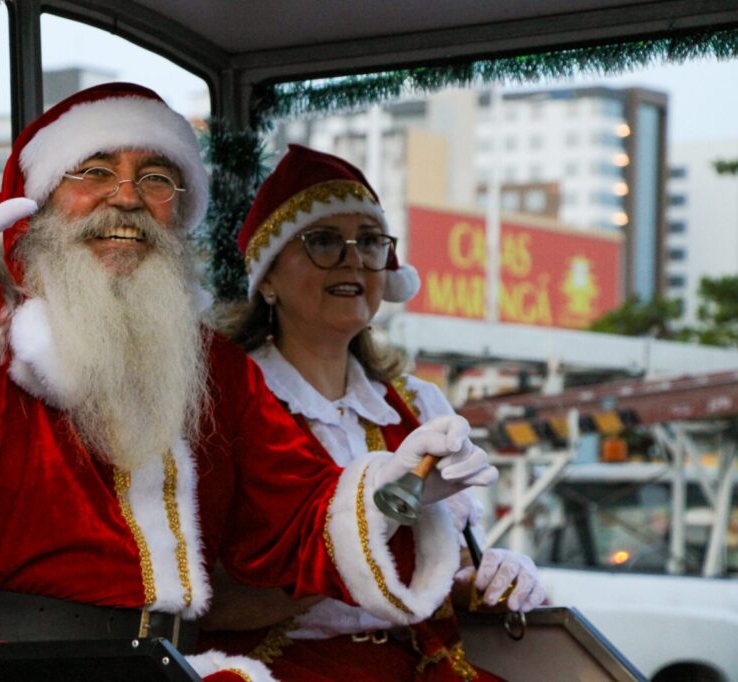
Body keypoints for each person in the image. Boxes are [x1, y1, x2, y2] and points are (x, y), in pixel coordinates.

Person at [0, 84, 496, 681]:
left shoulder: (213, 367)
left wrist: (402, 489)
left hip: (163, 665)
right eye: (94, 172)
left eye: (157, 178)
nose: (128, 197)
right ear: (37, 201)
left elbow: (297, 516)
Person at [202, 145, 544, 681]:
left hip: (417, 662)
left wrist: (489, 574)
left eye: (369, 241)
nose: (353, 258)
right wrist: (379, 523)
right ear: (266, 278)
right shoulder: (229, 404)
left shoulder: (415, 406)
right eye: (323, 241)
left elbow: (442, 571)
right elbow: (206, 598)